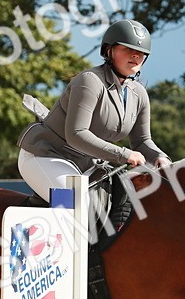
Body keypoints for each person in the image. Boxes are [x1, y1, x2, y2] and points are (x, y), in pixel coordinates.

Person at [18, 19, 171, 201]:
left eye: (141, 52)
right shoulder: (89, 81)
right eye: (127, 49)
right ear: (109, 50)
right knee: (75, 202)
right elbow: (76, 134)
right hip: (46, 155)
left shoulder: (139, 94)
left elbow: (141, 142)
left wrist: (161, 158)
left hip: (87, 165)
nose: (135, 55)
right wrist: (124, 154)